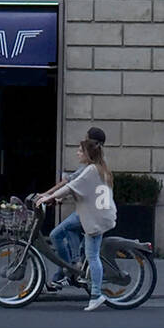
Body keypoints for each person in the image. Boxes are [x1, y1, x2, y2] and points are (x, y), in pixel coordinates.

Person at [36, 133, 116, 312]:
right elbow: (81, 190)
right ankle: (72, 269)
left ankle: (96, 295)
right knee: (70, 239)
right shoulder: (99, 168)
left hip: (95, 218)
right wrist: (55, 198)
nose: (77, 153)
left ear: (88, 153)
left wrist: (49, 196)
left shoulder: (90, 170)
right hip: (98, 214)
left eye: (80, 151)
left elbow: (70, 186)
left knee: (93, 256)